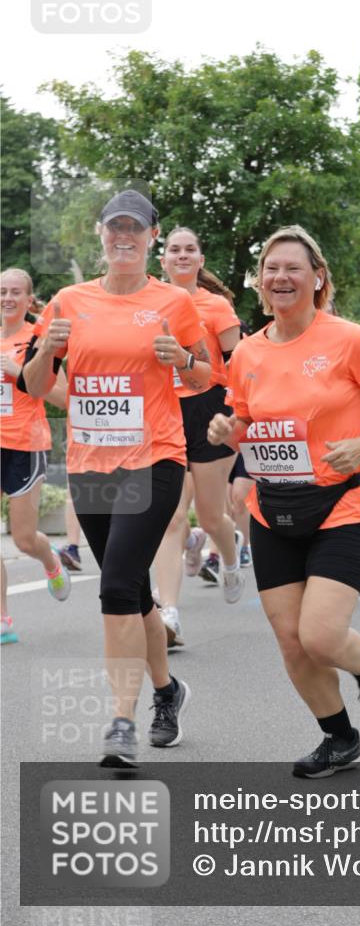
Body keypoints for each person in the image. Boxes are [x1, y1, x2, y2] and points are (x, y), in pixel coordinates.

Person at [208, 225, 360, 778]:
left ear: (317, 277)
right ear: (260, 283)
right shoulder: (248, 351)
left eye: (293, 267)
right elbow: (245, 423)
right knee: (292, 642)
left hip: (340, 503)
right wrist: (226, 430)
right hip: (272, 509)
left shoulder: (347, 338)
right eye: (271, 269)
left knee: (320, 635)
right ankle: (339, 737)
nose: (281, 277)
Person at [23, 190, 209, 764]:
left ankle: (122, 723)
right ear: (100, 235)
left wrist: (180, 360)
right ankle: (166, 691)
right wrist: (44, 353)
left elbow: (205, 378)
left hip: (154, 459)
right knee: (129, 591)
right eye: (113, 227)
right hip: (89, 465)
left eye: (134, 228)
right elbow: (33, 387)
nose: (123, 236)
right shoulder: (67, 302)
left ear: (151, 238)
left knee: (113, 588)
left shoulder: (174, 302)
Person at [152, 226, 242, 647]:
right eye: (174, 249)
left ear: (200, 260)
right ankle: (168, 613)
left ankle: (229, 553)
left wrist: (238, 413)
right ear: (163, 259)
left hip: (210, 409)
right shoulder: (149, 301)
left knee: (209, 516)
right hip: (162, 411)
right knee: (170, 516)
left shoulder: (216, 305)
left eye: (190, 249)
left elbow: (239, 365)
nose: (182, 255)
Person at [1, 268, 70, 645]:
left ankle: (50, 560)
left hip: (25, 446)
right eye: (2, 291)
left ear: (29, 301)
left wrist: (19, 373)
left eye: (16, 293)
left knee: (25, 538)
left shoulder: (38, 339)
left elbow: (63, 397)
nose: (7, 298)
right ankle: (3, 619)